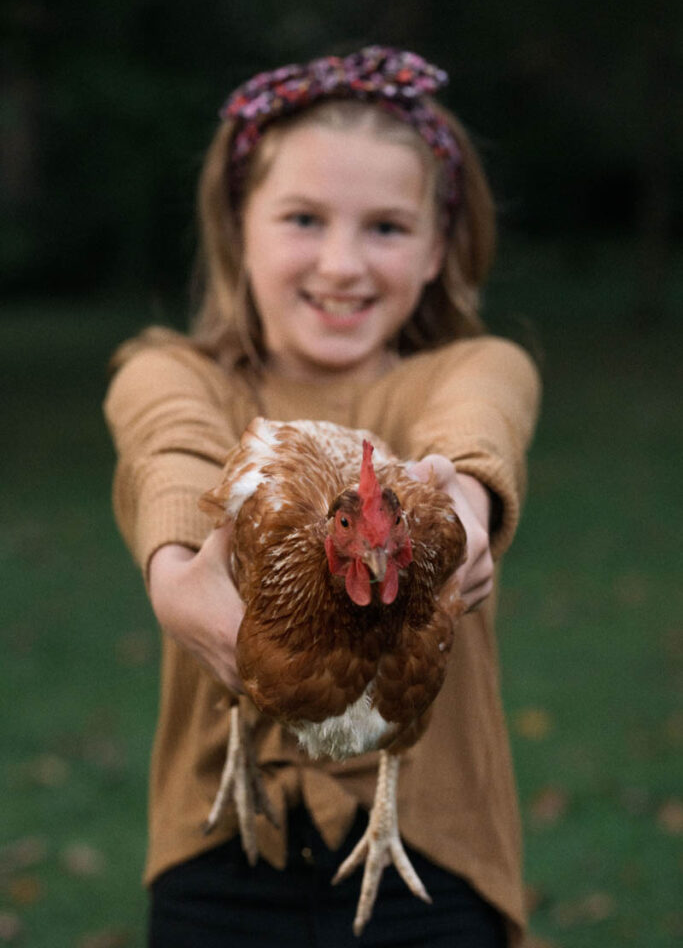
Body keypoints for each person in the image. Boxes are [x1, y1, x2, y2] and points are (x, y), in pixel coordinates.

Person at [104, 46, 540, 948]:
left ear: (436, 252)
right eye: (303, 218)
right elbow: (172, 450)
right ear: (239, 227)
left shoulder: (469, 367)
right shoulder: (174, 373)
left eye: (385, 227)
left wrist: (455, 520)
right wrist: (178, 564)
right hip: (218, 850)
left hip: (434, 850)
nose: (340, 264)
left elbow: (475, 428)